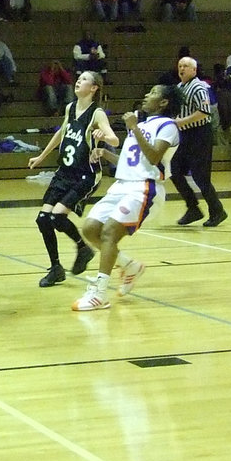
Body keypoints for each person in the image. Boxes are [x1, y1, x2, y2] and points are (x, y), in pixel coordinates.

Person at [73, 83, 182, 311]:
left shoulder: (168, 126)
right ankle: (129, 266)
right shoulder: (140, 125)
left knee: (109, 232)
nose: (145, 95)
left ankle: (99, 294)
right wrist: (105, 153)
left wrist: (134, 127)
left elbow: (153, 158)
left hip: (144, 188)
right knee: (91, 229)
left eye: (152, 93)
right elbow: (129, 159)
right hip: (122, 185)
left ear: (163, 102)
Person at [27, 71, 118, 288]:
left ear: (94, 88)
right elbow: (61, 133)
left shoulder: (97, 114)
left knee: (58, 217)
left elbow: (114, 138)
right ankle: (56, 268)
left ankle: (83, 248)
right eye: (79, 78)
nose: (79, 81)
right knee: (43, 219)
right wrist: (42, 156)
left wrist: (102, 137)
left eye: (84, 79)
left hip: (85, 174)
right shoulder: (70, 108)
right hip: (64, 172)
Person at [171, 57, 227, 227]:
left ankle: (217, 211)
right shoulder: (179, 87)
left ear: (194, 70)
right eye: (180, 66)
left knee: (200, 176)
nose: (182, 68)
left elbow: (204, 112)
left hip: (200, 134)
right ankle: (193, 208)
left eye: (186, 66)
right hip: (185, 135)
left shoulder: (199, 86)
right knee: (174, 170)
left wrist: (181, 121)